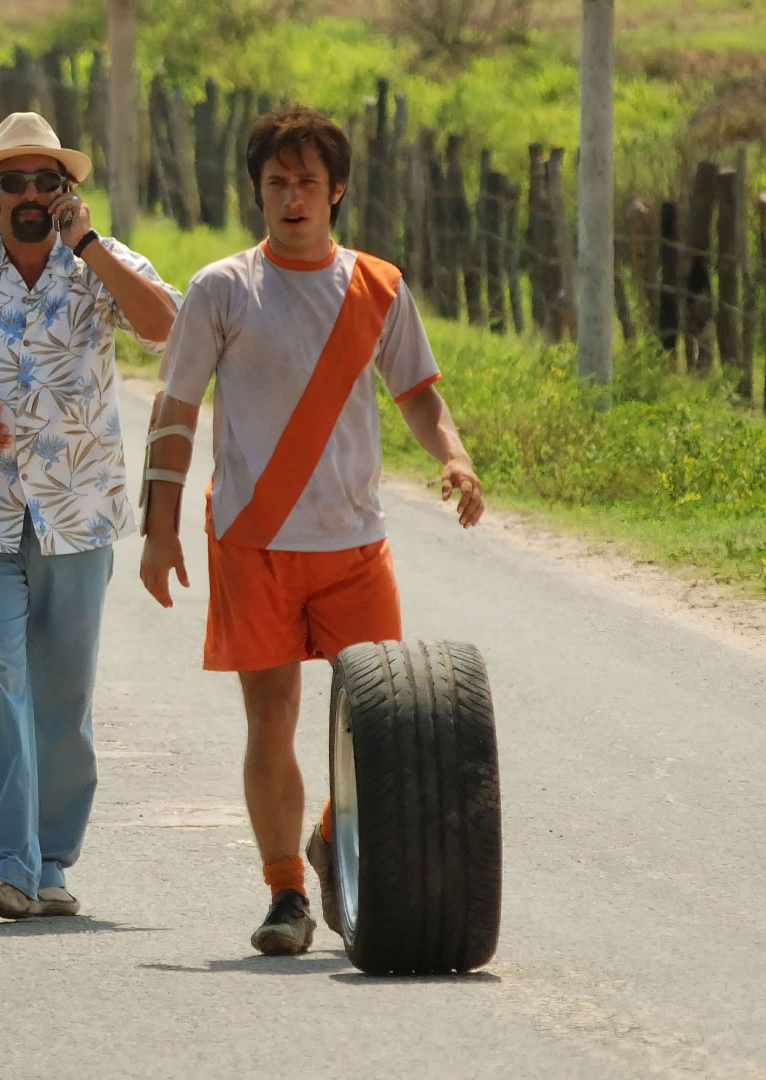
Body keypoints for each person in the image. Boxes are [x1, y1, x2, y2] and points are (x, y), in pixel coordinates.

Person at [137, 106, 485, 955]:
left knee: (382, 724)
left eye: (307, 183)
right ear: (257, 191)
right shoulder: (223, 287)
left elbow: (418, 393)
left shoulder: (379, 286)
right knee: (272, 715)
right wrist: (159, 526)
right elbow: (175, 409)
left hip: (354, 544)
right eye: (276, 183)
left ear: (338, 192)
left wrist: (455, 454)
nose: (292, 198)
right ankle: (287, 892)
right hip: (253, 540)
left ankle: (332, 836)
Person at [0, 113, 180, 920]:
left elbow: (167, 328)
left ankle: (51, 859)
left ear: (67, 193)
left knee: (61, 694)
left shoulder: (101, 266)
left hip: (76, 510)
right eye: (13, 182)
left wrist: (90, 246)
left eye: (45, 181)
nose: (29, 195)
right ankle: (7, 863)